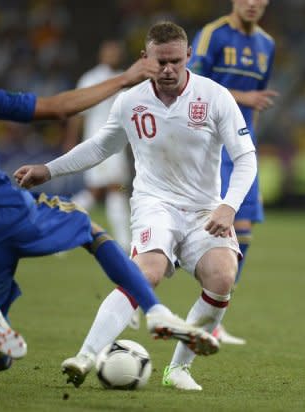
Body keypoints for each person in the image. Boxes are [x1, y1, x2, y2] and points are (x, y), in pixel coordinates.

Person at [0, 18, 215, 373]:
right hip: (12, 213)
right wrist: (126, 78)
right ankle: (155, 310)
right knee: (91, 233)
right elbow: (58, 108)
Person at [14, 21, 257, 390]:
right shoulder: (131, 100)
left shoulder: (215, 96)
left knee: (223, 278)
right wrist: (48, 170)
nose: (169, 69)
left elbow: (246, 158)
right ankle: (85, 355)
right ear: (146, 59)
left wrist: (229, 206)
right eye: (161, 61)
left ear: (189, 55)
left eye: (176, 60)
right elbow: (99, 146)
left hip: (205, 209)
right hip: (154, 202)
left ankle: (178, 369)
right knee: (148, 272)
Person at [187, 0, 278, 345]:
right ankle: (206, 311)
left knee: (245, 228)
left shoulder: (266, 44)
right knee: (225, 226)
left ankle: (213, 316)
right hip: (211, 144)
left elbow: (259, 99)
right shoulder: (213, 35)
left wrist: (252, 139)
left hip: (243, 146)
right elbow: (192, 82)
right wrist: (244, 96)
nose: (253, 3)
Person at [63, 40, 132, 252]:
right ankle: (61, 231)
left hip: (116, 145)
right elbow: (77, 111)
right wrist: (71, 139)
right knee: (108, 190)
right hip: (98, 142)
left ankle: (60, 233)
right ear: (102, 55)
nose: (113, 55)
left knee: (111, 190)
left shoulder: (124, 78)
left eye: (116, 51)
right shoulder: (91, 78)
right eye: (109, 51)